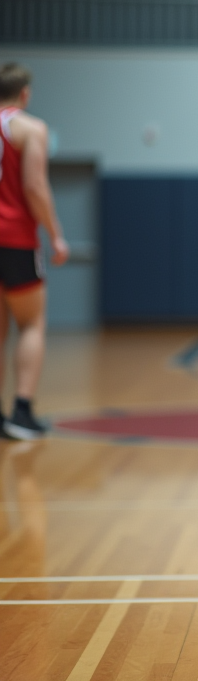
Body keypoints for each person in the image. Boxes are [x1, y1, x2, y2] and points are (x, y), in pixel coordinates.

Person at [0, 64, 70, 440]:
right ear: (24, 93)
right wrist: (56, 234)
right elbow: (34, 187)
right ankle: (22, 412)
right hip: (15, 239)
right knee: (30, 324)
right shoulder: (30, 128)